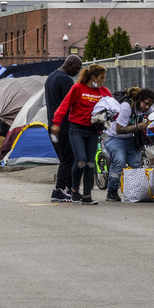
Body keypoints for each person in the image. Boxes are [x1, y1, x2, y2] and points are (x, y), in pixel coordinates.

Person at [50, 64, 112, 205]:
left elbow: (114, 107)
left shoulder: (104, 92)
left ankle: (87, 195)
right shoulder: (78, 88)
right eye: (101, 78)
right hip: (76, 130)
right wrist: (56, 123)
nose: (104, 80)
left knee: (90, 163)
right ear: (93, 77)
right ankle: (74, 189)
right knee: (81, 160)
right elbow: (64, 106)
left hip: (92, 130)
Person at [104, 87, 154, 201]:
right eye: (146, 103)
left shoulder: (144, 108)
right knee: (119, 161)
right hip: (114, 137)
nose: (147, 107)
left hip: (130, 138)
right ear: (139, 100)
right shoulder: (126, 107)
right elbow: (119, 130)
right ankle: (112, 191)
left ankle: (135, 192)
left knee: (136, 163)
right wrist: (138, 126)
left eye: (149, 105)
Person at [44, 55, 82, 203]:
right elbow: (71, 103)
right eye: (77, 68)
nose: (78, 72)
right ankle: (59, 190)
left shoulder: (51, 77)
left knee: (65, 158)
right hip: (64, 125)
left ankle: (71, 189)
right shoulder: (65, 79)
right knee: (68, 158)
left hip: (52, 125)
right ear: (70, 64)